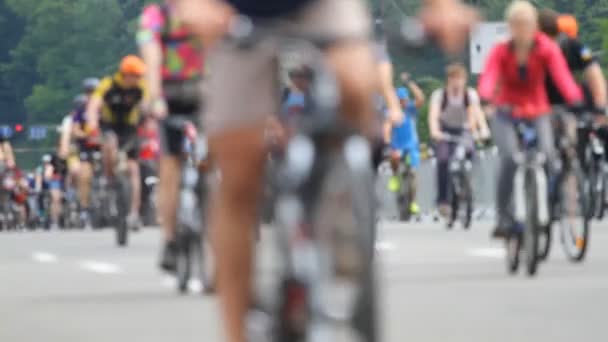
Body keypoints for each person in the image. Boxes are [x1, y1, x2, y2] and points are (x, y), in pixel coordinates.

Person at [174, 0, 477, 341]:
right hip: (233, 12)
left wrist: (442, 6)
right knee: (237, 169)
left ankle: (343, 204)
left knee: (355, 84)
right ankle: (235, 333)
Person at [478, 0, 583, 238]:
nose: (522, 29)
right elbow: (490, 75)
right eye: (517, 24)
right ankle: (504, 215)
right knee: (509, 159)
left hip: (537, 110)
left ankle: (544, 205)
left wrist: (575, 99)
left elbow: (562, 76)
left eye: (526, 24)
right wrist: (485, 96)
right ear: (510, 26)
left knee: (548, 155)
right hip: (507, 112)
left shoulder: (546, 48)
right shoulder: (501, 50)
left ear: (534, 26)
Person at [137, 0, 204, 271]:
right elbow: (151, 59)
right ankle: (170, 239)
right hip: (171, 93)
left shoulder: (213, 8)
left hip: (207, 89)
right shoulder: (155, 15)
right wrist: (155, 98)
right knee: (169, 165)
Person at [85, 55, 147, 230]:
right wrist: (91, 123)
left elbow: (148, 105)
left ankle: (134, 214)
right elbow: (93, 105)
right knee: (110, 144)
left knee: (134, 169)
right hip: (109, 124)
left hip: (129, 127)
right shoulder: (108, 84)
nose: (139, 79)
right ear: (126, 74)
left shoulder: (141, 87)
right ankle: (108, 178)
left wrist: (151, 117)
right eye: (136, 76)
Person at [429, 63, 485, 217]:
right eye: (453, 79)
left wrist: (483, 130)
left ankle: (468, 187)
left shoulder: (470, 95)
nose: (457, 83)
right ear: (448, 80)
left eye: (460, 79)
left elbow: (477, 113)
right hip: (445, 131)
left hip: (464, 131)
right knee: (443, 160)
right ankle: (443, 201)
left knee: (471, 154)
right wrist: (435, 131)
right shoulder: (440, 95)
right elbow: (433, 116)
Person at [384, 72, 425, 216]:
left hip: (411, 146)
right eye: (400, 100)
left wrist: (410, 82)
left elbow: (420, 98)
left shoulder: (411, 109)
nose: (403, 102)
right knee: (393, 158)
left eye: (404, 99)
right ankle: (395, 176)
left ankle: (413, 202)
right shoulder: (390, 112)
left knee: (412, 173)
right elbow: (387, 126)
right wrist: (387, 142)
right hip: (396, 146)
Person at [71, 79, 102, 227]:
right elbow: (75, 129)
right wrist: (84, 135)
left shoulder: (106, 108)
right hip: (87, 147)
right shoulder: (81, 110)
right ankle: (84, 208)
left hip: (104, 145)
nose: (91, 95)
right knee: (84, 175)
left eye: (94, 92)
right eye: (89, 92)